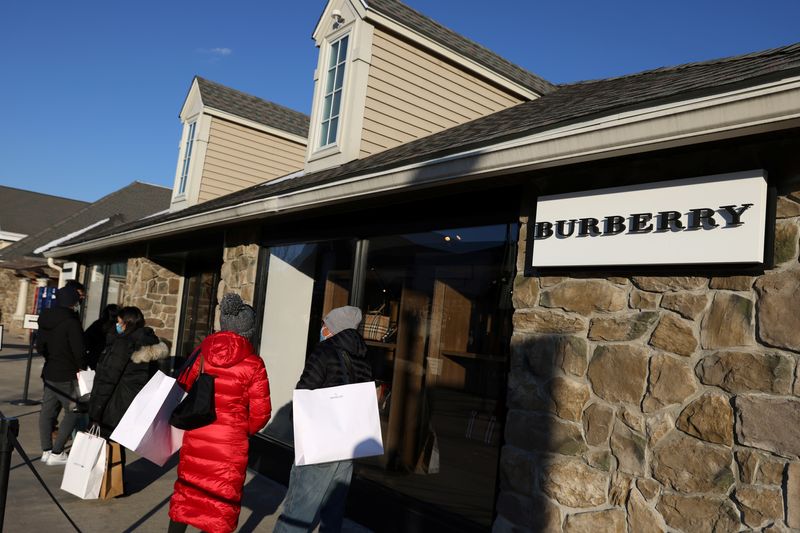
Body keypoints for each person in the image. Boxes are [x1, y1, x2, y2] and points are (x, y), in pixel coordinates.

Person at [168, 293, 271, 533]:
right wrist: (241, 431)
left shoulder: (202, 352)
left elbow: (182, 386)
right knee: (219, 504)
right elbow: (261, 412)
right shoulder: (254, 364)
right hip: (230, 444)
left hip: (198, 433)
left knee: (188, 493)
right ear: (249, 332)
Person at [274, 305, 372, 533]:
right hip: (347, 447)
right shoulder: (364, 357)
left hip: (319, 445)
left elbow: (304, 393)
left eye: (326, 325)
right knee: (333, 515)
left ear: (334, 328)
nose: (323, 329)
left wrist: (295, 424)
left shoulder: (324, 352)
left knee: (297, 514)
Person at [88, 306, 169, 439]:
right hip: (133, 403)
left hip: (115, 403)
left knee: (103, 445)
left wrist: (96, 410)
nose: (117, 325)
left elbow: (109, 379)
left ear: (128, 324)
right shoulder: (149, 342)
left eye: (120, 322)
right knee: (117, 444)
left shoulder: (124, 344)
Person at [37, 285, 87, 466]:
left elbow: (39, 346)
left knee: (47, 411)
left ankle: (46, 450)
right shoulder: (72, 322)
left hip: (50, 371)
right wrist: (82, 367)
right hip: (68, 373)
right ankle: (57, 452)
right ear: (73, 301)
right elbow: (79, 350)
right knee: (74, 411)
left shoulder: (45, 318)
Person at [83, 304, 119, 369]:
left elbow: (85, 340)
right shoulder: (120, 327)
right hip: (110, 362)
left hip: (95, 358)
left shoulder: (97, 324)